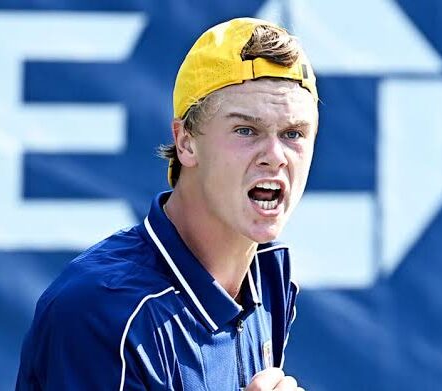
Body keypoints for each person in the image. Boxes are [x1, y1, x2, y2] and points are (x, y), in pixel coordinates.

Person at [16, 17, 318, 390]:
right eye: (246, 130)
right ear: (186, 142)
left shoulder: (268, 275)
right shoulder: (102, 312)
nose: (275, 156)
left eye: (294, 133)